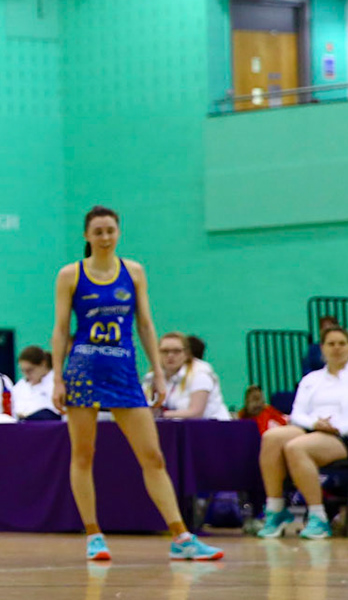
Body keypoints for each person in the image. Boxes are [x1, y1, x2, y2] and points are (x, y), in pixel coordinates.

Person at [50, 205, 222, 563]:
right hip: (83, 370)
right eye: (98, 231)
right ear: (87, 235)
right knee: (83, 454)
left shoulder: (134, 271)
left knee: (153, 456)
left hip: (124, 372)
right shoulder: (70, 274)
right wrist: (57, 378)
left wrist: (157, 372)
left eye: (110, 230)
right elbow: (61, 330)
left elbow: (145, 324)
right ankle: (94, 535)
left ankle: (181, 536)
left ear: (118, 232)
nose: (105, 237)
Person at [256, 325, 348, 539]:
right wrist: (316, 424)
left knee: (296, 447)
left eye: (342, 343)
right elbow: (297, 413)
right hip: (313, 430)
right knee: (271, 437)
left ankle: (319, 517)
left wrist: (339, 427)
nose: (336, 348)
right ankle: (276, 509)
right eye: (331, 344)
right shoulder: (311, 379)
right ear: (322, 348)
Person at [151, 332, 231, 420]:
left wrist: (160, 414)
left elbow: (196, 413)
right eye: (165, 351)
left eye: (176, 351)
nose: (170, 355)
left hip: (213, 427)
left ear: (186, 354)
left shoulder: (200, 374)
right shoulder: (151, 377)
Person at [13, 346, 59, 421]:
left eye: (30, 370)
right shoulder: (20, 385)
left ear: (43, 364)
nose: (26, 374)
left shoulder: (57, 383)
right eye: (23, 371)